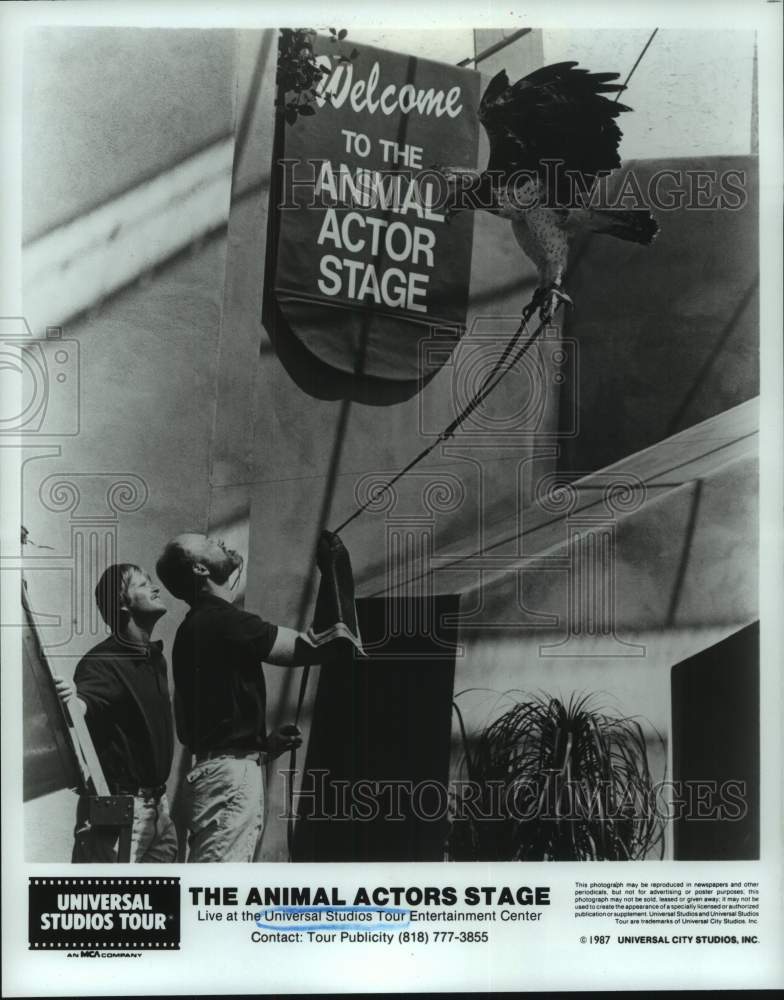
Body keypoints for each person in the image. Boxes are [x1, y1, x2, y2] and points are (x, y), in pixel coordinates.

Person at [155, 533, 320, 863]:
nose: (219, 541)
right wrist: (336, 574)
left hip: (217, 772)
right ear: (200, 569)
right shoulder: (224, 621)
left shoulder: (194, 628)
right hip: (228, 779)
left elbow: (197, 726)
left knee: (215, 881)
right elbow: (309, 649)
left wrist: (260, 748)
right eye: (208, 542)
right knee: (217, 889)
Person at [54, 563, 177, 863]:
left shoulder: (155, 659)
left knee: (157, 905)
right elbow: (81, 707)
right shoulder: (103, 661)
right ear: (123, 604)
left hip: (158, 808)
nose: (155, 587)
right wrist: (70, 699)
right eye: (142, 583)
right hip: (122, 813)